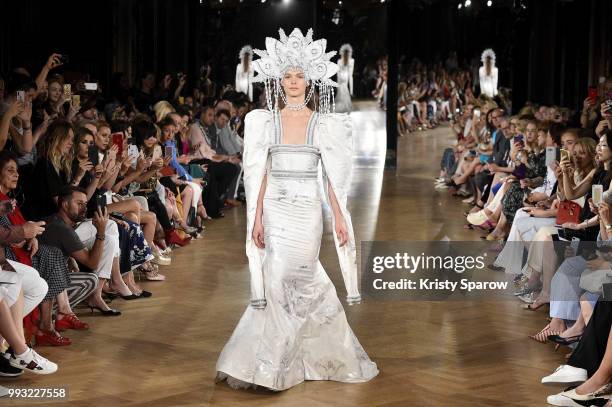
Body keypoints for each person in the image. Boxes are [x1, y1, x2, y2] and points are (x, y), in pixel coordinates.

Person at [215, 27, 378, 391]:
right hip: (274, 211)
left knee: (302, 281)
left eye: (299, 75)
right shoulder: (262, 121)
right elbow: (259, 175)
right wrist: (255, 218)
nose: (293, 82)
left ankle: (302, 358)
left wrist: (339, 217)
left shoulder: (325, 123)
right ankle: (271, 368)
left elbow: (332, 179)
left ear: (311, 79)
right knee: (275, 281)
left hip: (306, 213)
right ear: (277, 80)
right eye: (287, 76)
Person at [335, 44, 354, 113]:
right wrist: (351, 90)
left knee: (341, 92)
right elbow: (350, 75)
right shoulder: (351, 61)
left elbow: (338, 73)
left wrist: (337, 84)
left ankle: (342, 107)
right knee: (345, 91)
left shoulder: (339, 61)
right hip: (346, 76)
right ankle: (345, 107)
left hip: (341, 77)